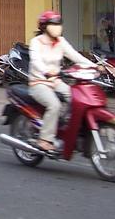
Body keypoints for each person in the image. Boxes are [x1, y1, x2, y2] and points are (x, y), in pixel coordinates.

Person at [28, 11, 94, 152]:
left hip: (55, 82)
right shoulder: (36, 42)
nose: (57, 27)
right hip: (38, 82)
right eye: (53, 24)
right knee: (54, 105)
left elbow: (75, 56)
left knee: (77, 99)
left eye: (58, 24)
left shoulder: (61, 42)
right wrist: (46, 71)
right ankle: (44, 139)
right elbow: (36, 61)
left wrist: (95, 66)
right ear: (44, 26)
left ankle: (69, 129)